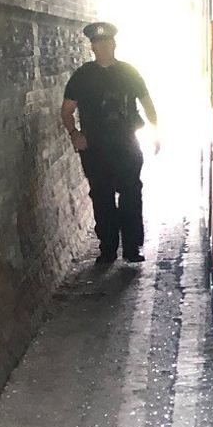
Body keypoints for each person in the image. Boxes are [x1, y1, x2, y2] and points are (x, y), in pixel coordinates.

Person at [60, 22, 157, 263]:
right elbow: (66, 110)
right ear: (92, 47)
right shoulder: (82, 76)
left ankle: (132, 248)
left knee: (131, 194)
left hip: (126, 144)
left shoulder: (128, 72)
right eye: (97, 43)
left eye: (106, 42)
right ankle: (108, 249)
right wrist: (75, 134)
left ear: (114, 44)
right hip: (95, 147)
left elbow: (147, 103)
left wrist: (156, 131)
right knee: (102, 198)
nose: (102, 46)